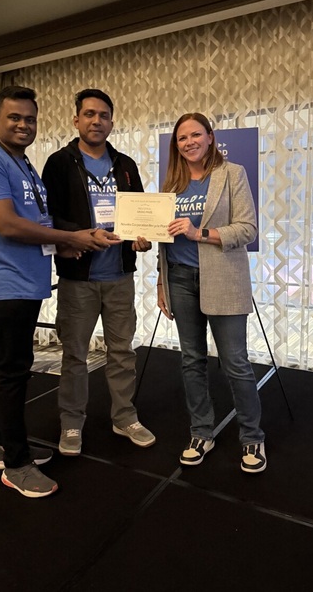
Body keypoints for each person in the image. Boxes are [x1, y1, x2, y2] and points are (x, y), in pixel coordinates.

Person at [0, 85, 119, 498]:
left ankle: (3, 446)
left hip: (25, 282)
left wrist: (62, 245)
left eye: (29, 119)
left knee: (6, 368)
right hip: (3, 283)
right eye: (14, 117)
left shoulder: (24, 165)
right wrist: (71, 237)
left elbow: (38, 222)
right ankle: (16, 465)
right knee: (13, 372)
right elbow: (8, 224)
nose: (23, 125)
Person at [42, 88, 156, 456]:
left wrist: (142, 238)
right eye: (89, 114)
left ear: (111, 122)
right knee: (75, 355)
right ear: (76, 120)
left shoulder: (125, 164)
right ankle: (72, 422)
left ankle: (124, 417)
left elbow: (140, 213)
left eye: (103, 115)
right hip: (78, 278)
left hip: (119, 276)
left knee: (122, 351)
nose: (96, 121)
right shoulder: (59, 163)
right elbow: (49, 216)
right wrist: (79, 235)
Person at [157, 113, 266, 472]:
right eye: (182, 138)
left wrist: (199, 233)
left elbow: (247, 229)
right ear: (176, 145)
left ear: (210, 137)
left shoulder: (232, 174)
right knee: (192, 360)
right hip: (179, 278)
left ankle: (252, 437)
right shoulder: (171, 184)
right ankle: (201, 432)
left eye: (195, 135)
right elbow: (163, 238)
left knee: (235, 362)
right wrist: (160, 281)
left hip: (223, 278)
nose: (189, 142)